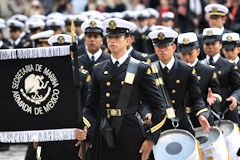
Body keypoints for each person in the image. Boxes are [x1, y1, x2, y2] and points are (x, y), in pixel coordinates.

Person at [77, 18, 167, 160]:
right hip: (104, 132)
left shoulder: (140, 68)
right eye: (110, 37)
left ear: (128, 40)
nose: (112, 41)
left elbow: (160, 107)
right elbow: (90, 107)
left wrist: (151, 139)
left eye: (117, 37)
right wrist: (87, 131)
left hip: (131, 132)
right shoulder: (98, 69)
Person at [148, 28, 210, 135]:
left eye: (166, 46)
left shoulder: (186, 69)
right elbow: (145, 99)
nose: (162, 50)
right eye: (159, 47)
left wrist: (201, 114)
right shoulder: (149, 70)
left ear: (173, 47)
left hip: (181, 121)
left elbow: (196, 98)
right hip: (158, 124)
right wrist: (147, 113)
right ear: (155, 49)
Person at [178, 32, 222, 127]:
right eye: (183, 54)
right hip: (181, 119)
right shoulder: (175, 70)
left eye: (190, 53)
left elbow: (217, 93)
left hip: (202, 118)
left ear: (198, 51)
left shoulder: (208, 70)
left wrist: (214, 99)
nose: (187, 57)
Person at [201, 28, 240, 126]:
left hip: (227, 109)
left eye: (213, 44)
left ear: (220, 45)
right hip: (206, 112)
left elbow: (237, 87)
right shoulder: (200, 65)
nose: (210, 47)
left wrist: (234, 97)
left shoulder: (229, 65)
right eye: (207, 44)